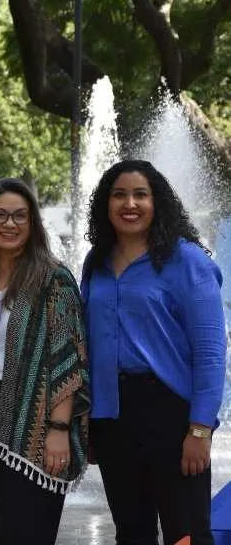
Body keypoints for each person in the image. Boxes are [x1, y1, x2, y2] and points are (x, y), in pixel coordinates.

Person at [82, 160, 225, 545]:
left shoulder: (188, 262)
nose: (130, 203)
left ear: (157, 201)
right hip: (112, 416)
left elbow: (212, 354)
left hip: (173, 414)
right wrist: (91, 422)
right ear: (105, 205)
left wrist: (200, 428)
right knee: (131, 531)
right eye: (119, 195)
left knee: (187, 533)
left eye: (140, 194)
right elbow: (91, 344)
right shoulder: (96, 262)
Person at [0, 178, 89, 545]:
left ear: (32, 222)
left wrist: (59, 429)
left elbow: (69, 358)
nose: (9, 224)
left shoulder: (54, 279)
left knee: (26, 531)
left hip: (37, 420)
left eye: (20, 216)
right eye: (0, 215)